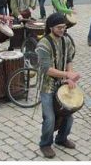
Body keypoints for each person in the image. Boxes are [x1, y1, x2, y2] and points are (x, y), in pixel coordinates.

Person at [36, 13, 80, 158]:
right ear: (50, 28)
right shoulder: (43, 44)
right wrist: (67, 75)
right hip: (47, 86)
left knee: (68, 115)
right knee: (50, 118)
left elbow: (69, 59)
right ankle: (45, 144)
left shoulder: (66, 40)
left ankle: (61, 139)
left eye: (64, 27)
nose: (62, 30)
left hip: (62, 84)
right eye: (59, 27)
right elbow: (47, 69)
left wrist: (70, 77)